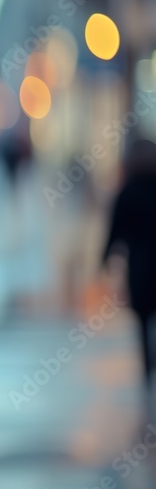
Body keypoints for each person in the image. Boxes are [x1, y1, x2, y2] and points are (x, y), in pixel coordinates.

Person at [102, 137, 156, 418]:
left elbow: (115, 232)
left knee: (143, 325)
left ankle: (148, 375)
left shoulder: (128, 191)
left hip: (141, 270)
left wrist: (105, 260)